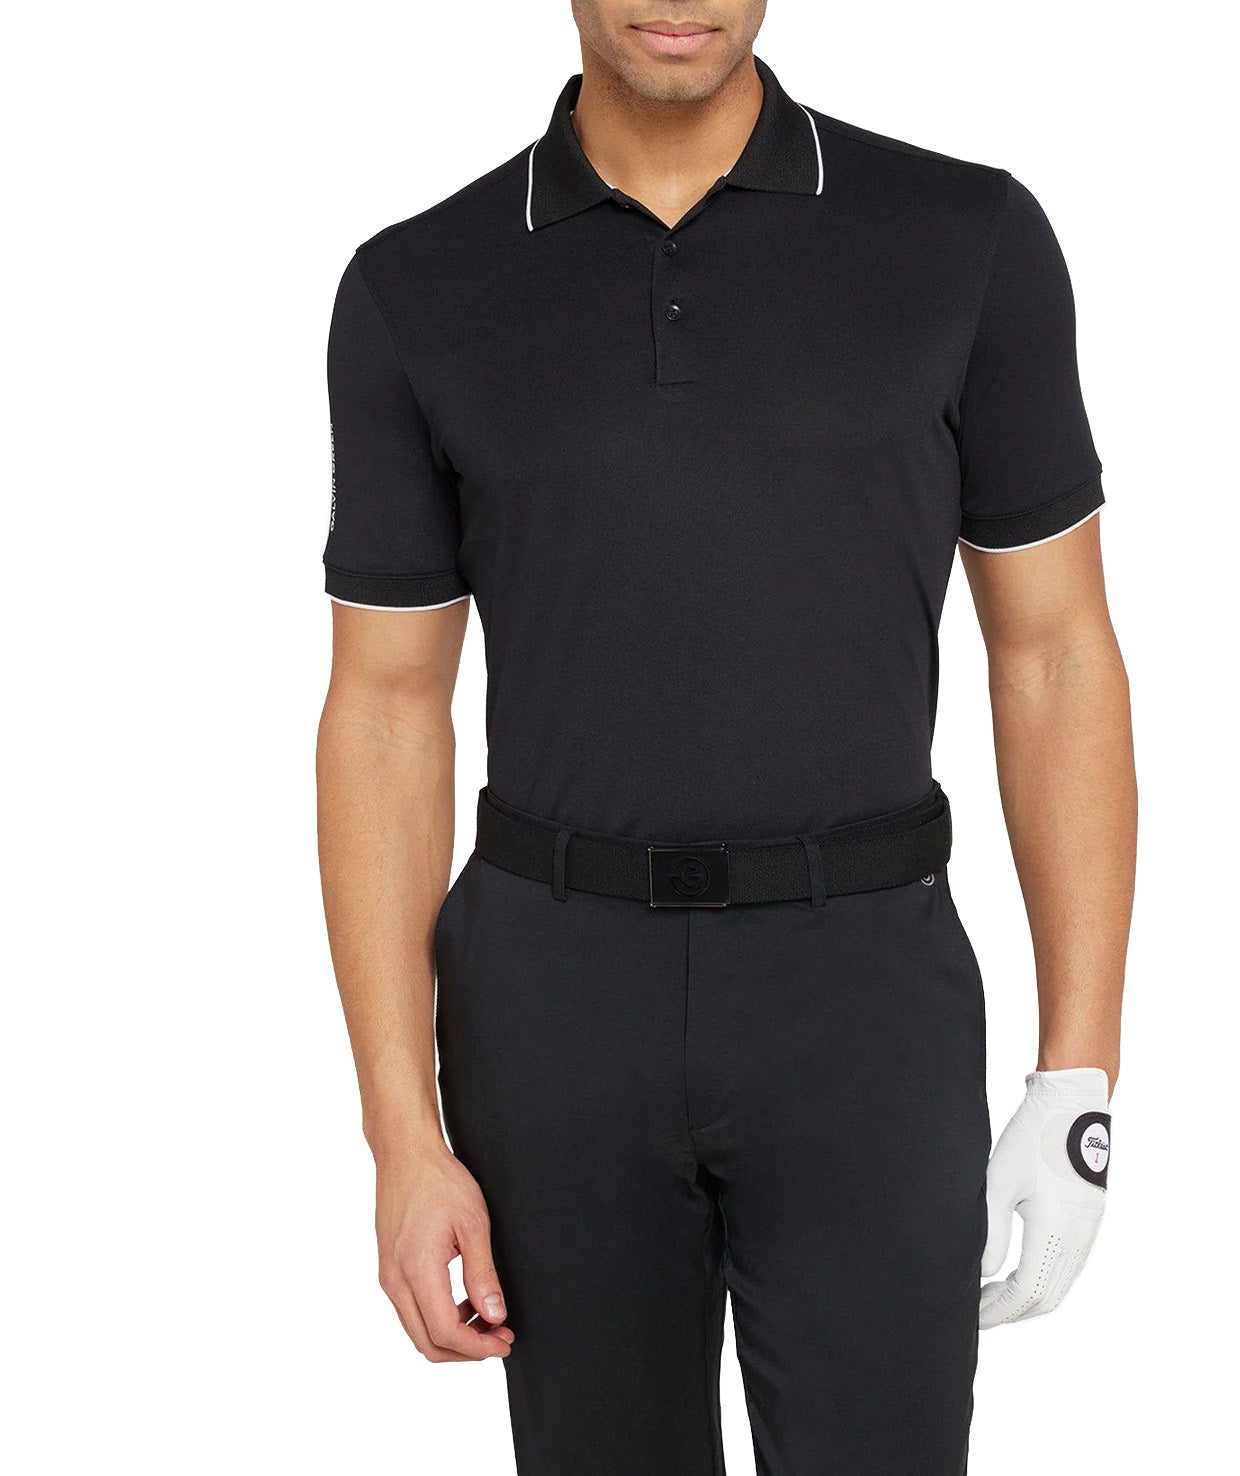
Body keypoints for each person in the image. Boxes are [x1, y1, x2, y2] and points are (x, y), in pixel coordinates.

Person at [316, 3, 1136, 1471]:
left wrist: (1078, 1075)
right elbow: (384, 708)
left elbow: (1057, 652)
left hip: (862, 991)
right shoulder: (418, 284)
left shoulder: (966, 241)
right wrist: (401, 1133)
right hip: (551, 1002)